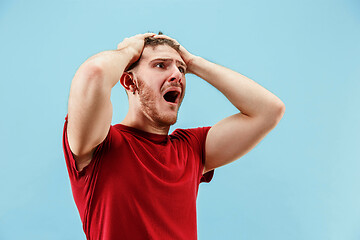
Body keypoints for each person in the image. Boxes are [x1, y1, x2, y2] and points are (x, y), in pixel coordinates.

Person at [62, 32, 285, 240]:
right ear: (130, 82)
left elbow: (269, 110)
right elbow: (94, 73)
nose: (177, 75)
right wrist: (129, 51)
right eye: (160, 65)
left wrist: (194, 63)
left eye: (181, 69)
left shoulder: (192, 149)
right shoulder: (100, 144)